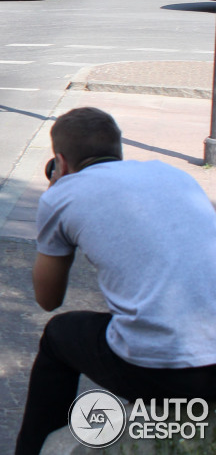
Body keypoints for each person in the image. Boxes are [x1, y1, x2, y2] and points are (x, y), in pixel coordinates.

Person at [13, 107, 216, 455]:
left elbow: (48, 298)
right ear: (118, 149)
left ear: (59, 161)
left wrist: (55, 194)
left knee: (58, 336)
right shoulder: (174, 175)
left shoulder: (61, 196)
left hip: (167, 374)